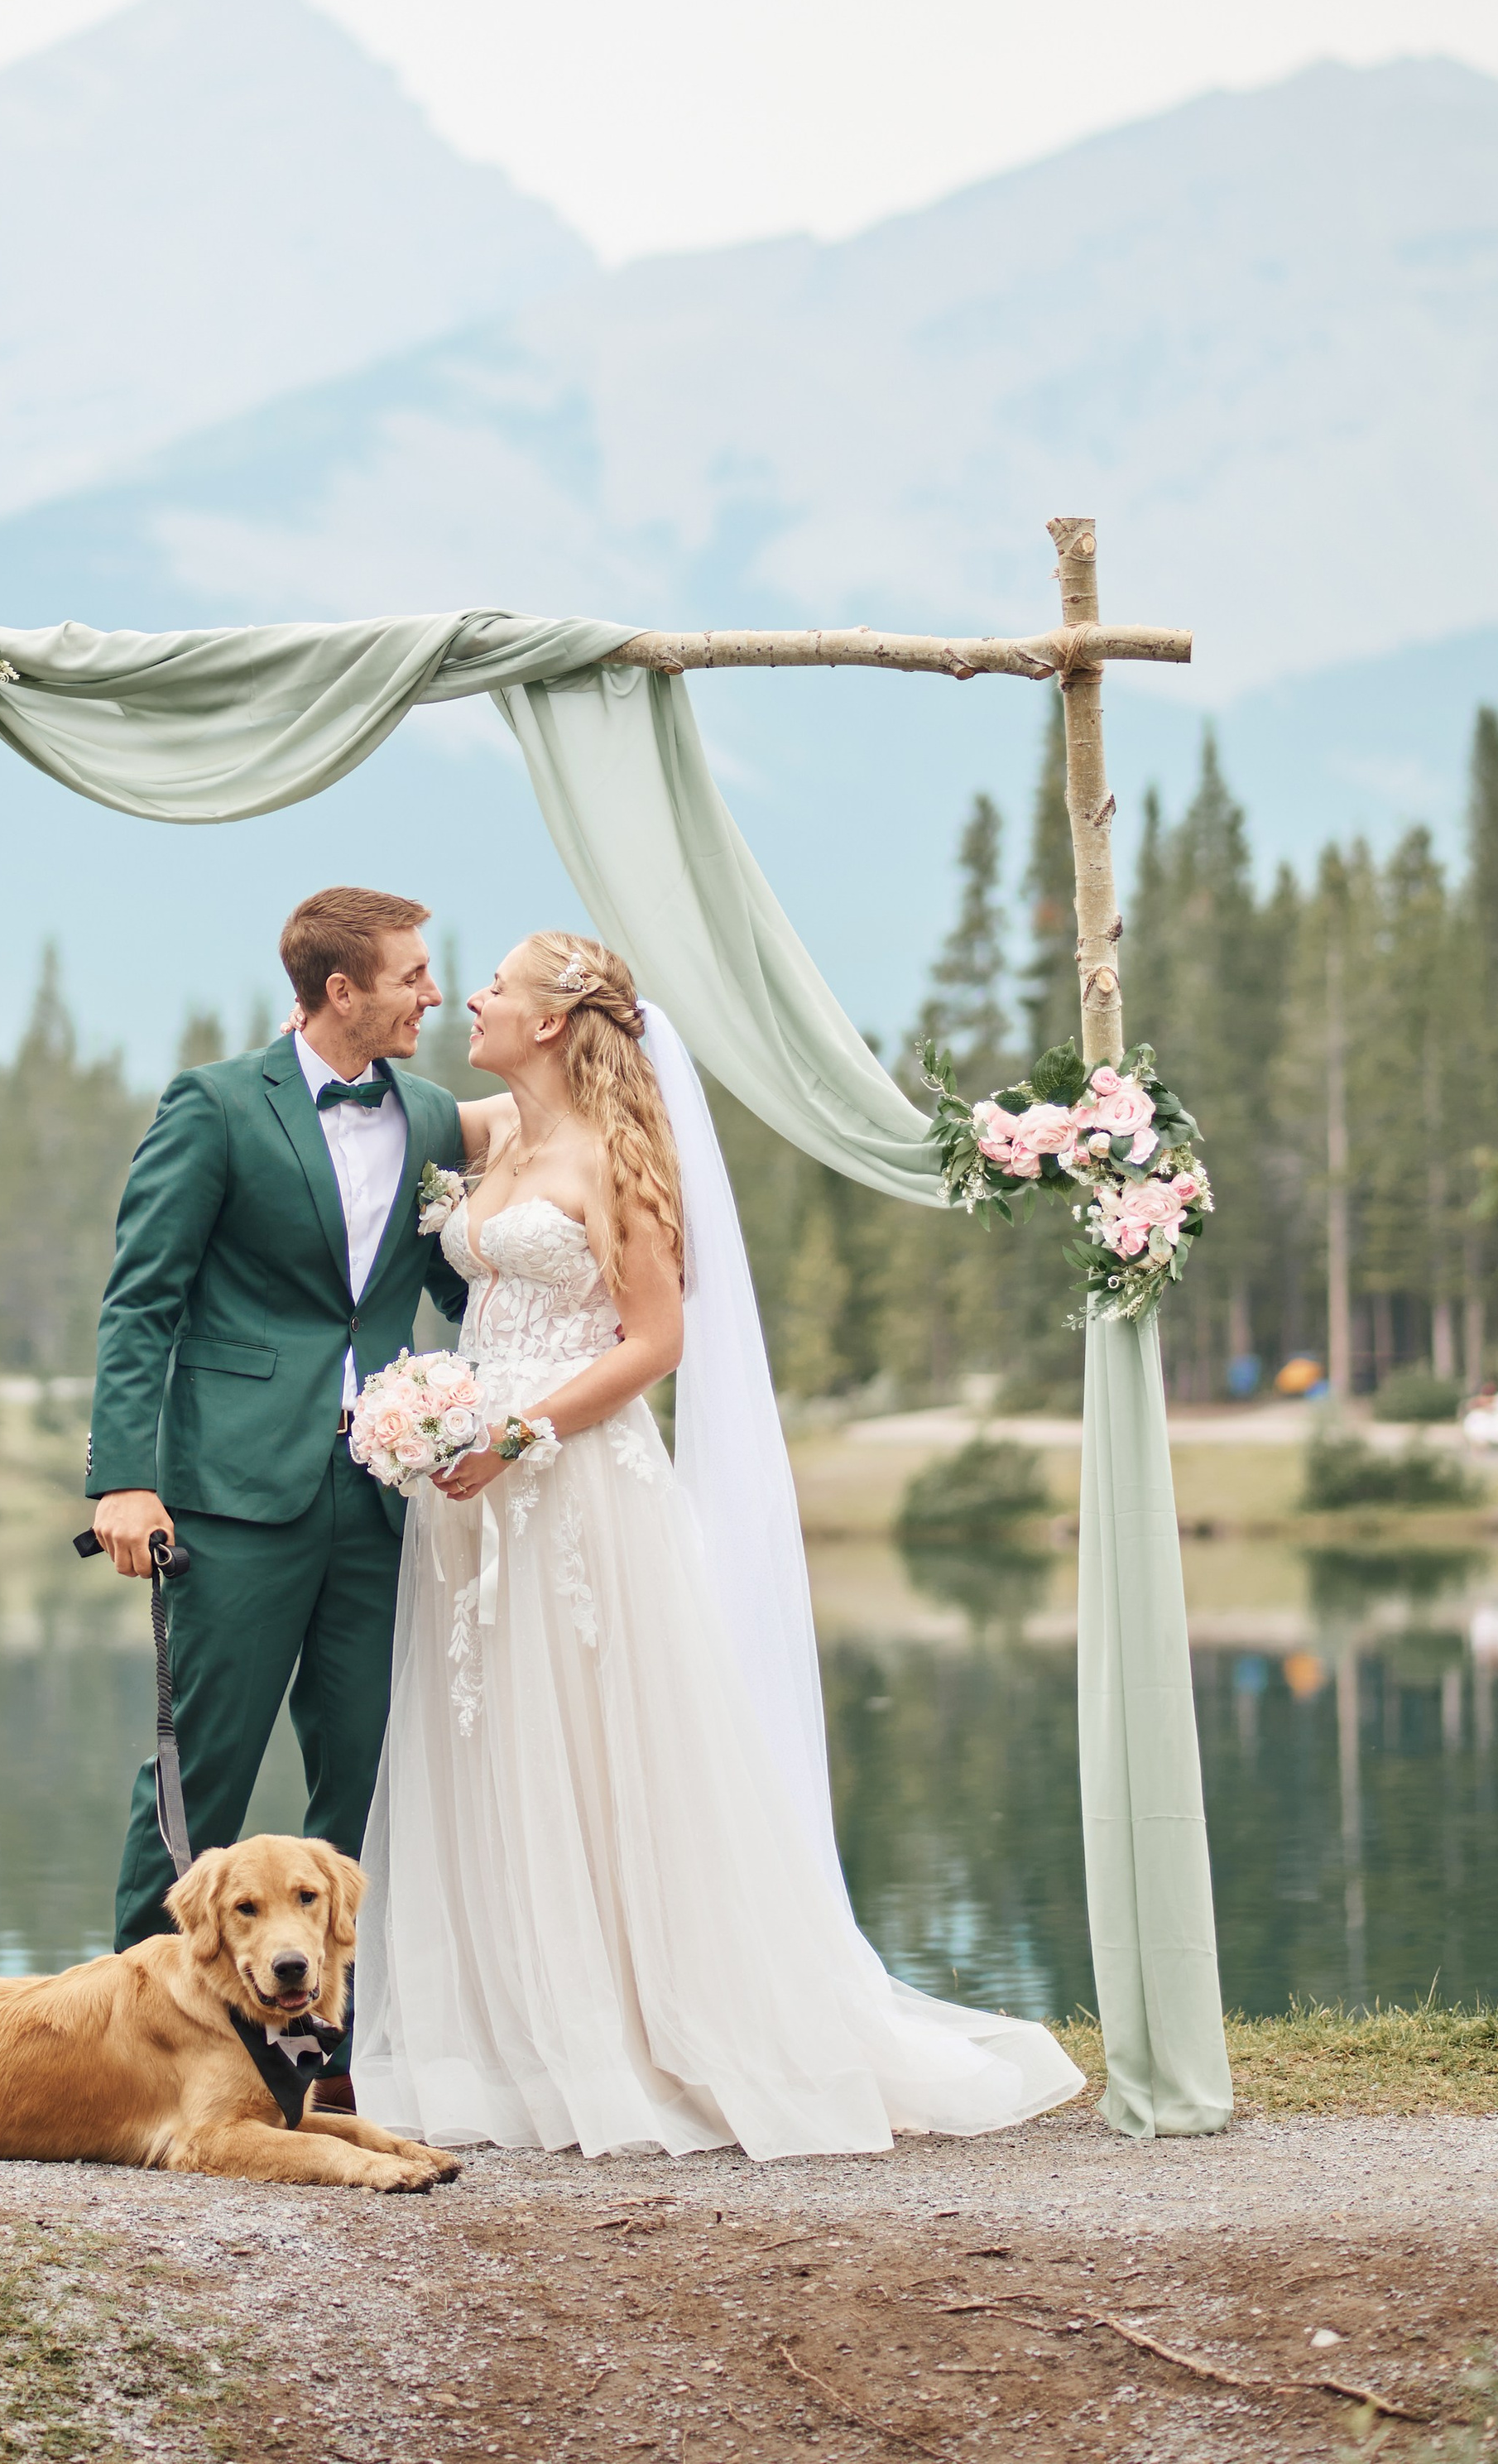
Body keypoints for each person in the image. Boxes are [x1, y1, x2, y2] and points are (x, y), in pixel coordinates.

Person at [353, 929, 1084, 2158]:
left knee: (598, 1743)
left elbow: (654, 1341)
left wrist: (518, 1430)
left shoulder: (618, 1157)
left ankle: (637, 2033)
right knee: (491, 1744)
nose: (468, 995)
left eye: (495, 986)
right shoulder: (492, 1135)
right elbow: (388, 1117)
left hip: (573, 1481)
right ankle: (510, 2036)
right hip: (469, 1492)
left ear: (548, 1022)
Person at [85, 884, 473, 2108]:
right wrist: (125, 1478)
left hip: (381, 1499)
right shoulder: (213, 1107)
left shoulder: (435, 1116)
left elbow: (469, 1284)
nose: (435, 992)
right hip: (234, 1498)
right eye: (414, 973)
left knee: (363, 1775)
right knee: (197, 1775)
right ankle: (136, 2045)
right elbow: (142, 1297)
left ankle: (329, 2060)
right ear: (341, 988)